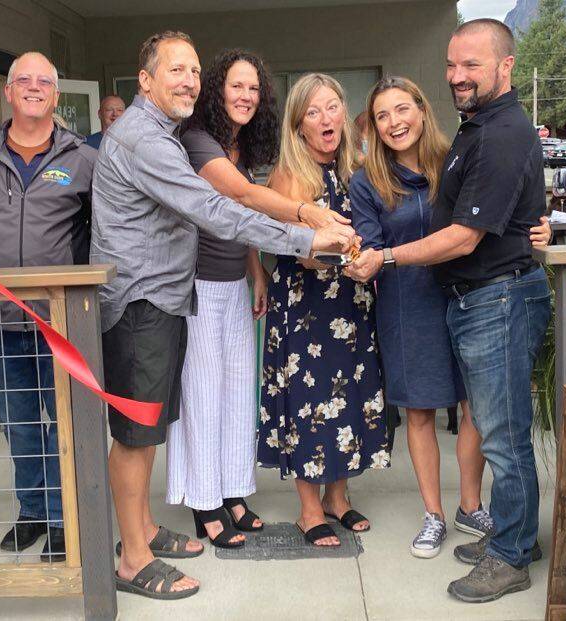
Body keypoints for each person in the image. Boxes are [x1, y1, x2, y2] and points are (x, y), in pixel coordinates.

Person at [92, 31, 355, 599]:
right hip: (141, 300)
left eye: (192, 70)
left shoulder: (159, 132)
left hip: (162, 297)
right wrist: (306, 236)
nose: (187, 79)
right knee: (137, 437)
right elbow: (216, 208)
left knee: (149, 431)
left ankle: (143, 532)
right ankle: (133, 558)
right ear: (146, 80)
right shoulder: (145, 138)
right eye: (175, 70)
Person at [345, 19, 551, 602]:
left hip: (497, 297)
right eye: (452, 65)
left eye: (472, 66)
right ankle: (513, 536)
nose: (458, 76)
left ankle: (509, 554)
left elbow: (464, 235)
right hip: (471, 299)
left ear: (505, 67)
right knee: (497, 431)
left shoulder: (500, 133)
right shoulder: (476, 130)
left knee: (503, 437)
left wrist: (386, 256)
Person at [165, 49, 348, 548]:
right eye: (235, 86)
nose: (245, 96)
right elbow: (242, 197)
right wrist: (307, 213)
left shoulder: (239, 145)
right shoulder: (198, 142)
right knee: (202, 394)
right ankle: (204, 501)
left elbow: (239, 224)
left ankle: (232, 491)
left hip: (234, 282)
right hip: (198, 285)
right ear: (216, 91)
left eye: (253, 88)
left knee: (235, 392)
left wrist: (255, 272)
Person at [0, 51, 95, 562]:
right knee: (19, 425)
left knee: (64, 422)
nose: (35, 88)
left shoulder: (82, 157)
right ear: (9, 92)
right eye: (24, 80)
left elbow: (93, 233)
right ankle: (33, 511)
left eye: (45, 82)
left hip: (58, 321)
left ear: (56, 95)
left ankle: (65, 517)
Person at [256, 73, 390, 548]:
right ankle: (309, 509)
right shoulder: (290, 175)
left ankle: (338, 496)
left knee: (350, 393)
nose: (325, 118)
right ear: (298, 127)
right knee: (309, 403)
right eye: (312, 112)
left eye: (331, 107)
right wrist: (344, 255)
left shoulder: (354, 168)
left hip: (351, 303)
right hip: (307, 306)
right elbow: (290, 247)